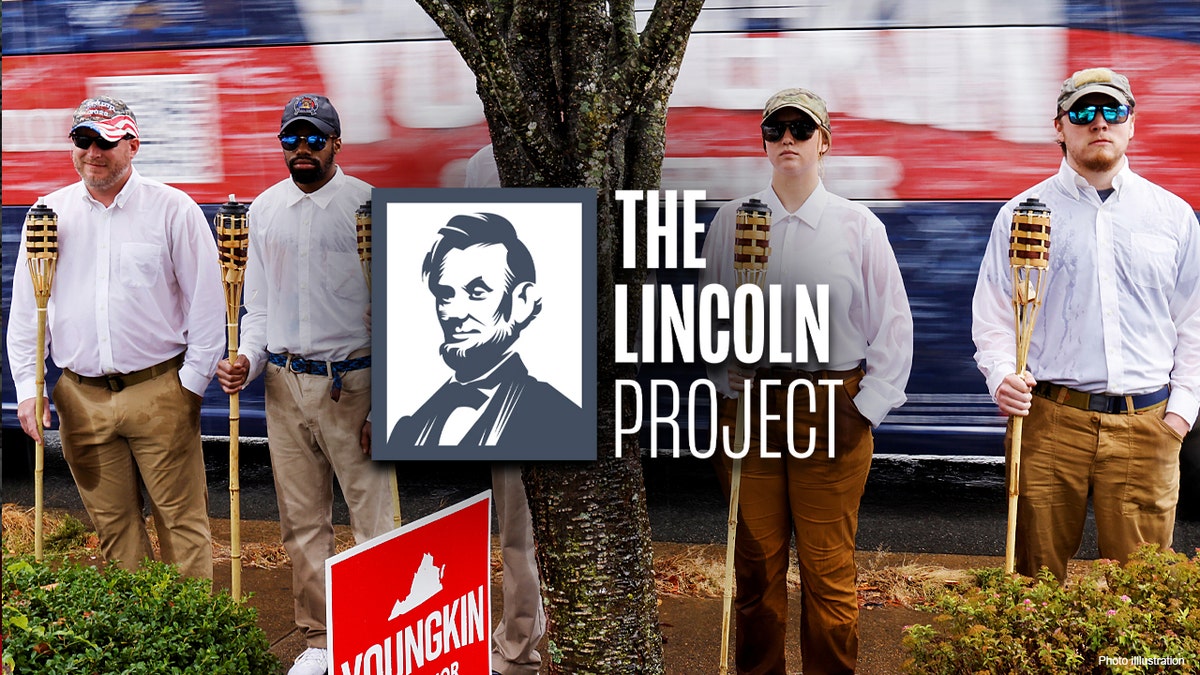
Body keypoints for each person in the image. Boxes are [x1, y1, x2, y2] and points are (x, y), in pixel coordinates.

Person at [700, 88, 913, 675]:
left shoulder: (857, 226)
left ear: (825, 141)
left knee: (828, 572)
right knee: (756, 568)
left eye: (800, 128)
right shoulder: (733, 220)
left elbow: (893, 327)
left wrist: (864, 409)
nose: (787, 139)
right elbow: (708, 313)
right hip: (751, 407)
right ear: (765, 142)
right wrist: (725, 391)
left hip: (830, 403)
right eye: (776, 130)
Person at [972, 67, 1200, 581]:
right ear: (1059, 126)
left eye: (1112, 110)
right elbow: (993, 315)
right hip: (1050, 423)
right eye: (1082, 111)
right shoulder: (1022, 215)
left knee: (1143, 593)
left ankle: (1143, 670)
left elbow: (1195, 320)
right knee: (1035, 583)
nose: (1098, 122)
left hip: (1148, 425)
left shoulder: (1173, 216)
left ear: (1131, 124)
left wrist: (1181, 414)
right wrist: (1000, 377)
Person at [7, 95, 224, 579]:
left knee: (181, 524)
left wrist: (189, 385)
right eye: (83, 140)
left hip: (160, 390)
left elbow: (209, 308)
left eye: (106, 141)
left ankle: (191, 644)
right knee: (114, 528)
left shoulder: (174, 210)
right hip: (80, 397)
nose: (93, 152)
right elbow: (28, 313)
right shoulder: (47, 214)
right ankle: (144, 642)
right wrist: (29, 388)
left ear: (132, 145)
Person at [216, 94, 395, 675]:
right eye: (291, 139)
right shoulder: (264, 211)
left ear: (336, 143)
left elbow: (396, 314)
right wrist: (245, 356)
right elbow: (258, 309)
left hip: (357, 384)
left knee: (372, 518)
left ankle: (379, 632)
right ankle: (320, 638)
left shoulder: (370, 205)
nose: (301, 150)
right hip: (284, 382)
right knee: (301, 521)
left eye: (313, 139)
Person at [389, 212, 584, 449]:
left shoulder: (558, 418)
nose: (455, 313)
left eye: (477, 293)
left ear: (523, 301)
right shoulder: (409, 429)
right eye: (446, 295)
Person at [464, 143, 547, 675]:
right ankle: (519, 652)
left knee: (594, 523)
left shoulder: (599, 149)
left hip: (585, 369)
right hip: (514, 371)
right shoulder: (482, 165)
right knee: (517, 527)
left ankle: (584, 638)